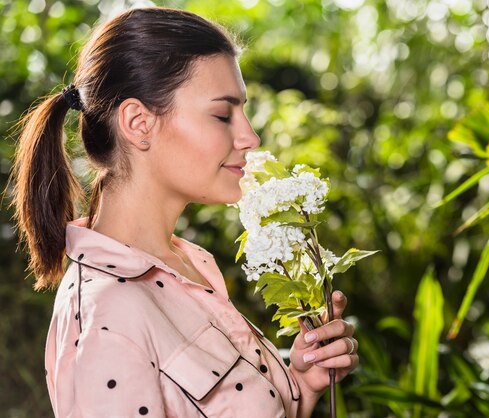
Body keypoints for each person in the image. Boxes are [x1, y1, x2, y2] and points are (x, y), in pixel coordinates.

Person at [10, 7, 358, 417]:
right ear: (138, 122)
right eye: (222, 114)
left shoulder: (185, 264)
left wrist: (301, 381)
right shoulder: (105, 315)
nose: (249, 136)